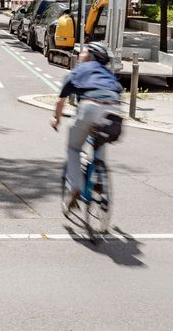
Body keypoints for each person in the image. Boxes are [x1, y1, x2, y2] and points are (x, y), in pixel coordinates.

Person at [51, 42, 122, 216]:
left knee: (73, 147)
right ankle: (100, 180)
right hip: (115, 109)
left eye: (83, 52)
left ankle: (75, 187)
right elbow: (118, 92)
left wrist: (56, 119)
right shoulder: (109, 74)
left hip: (90, 106)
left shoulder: (79, 70)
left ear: (90, 56)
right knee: (100, 138)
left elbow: (61, 101)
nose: (80, 54)